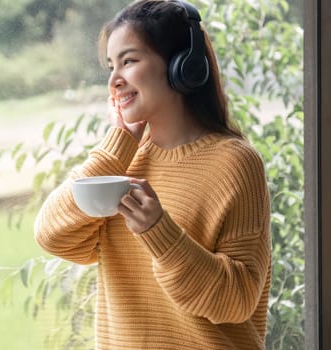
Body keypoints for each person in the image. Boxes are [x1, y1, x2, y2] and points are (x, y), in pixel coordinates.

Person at [34, 0, 271, 349]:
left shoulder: (235, 163)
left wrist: (158, 233)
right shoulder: (122, 163)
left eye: (129, 61)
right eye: (111, 66)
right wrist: (119, 146)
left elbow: (236, 301)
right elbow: (53, 236)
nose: (115, 80)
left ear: (183, 68)